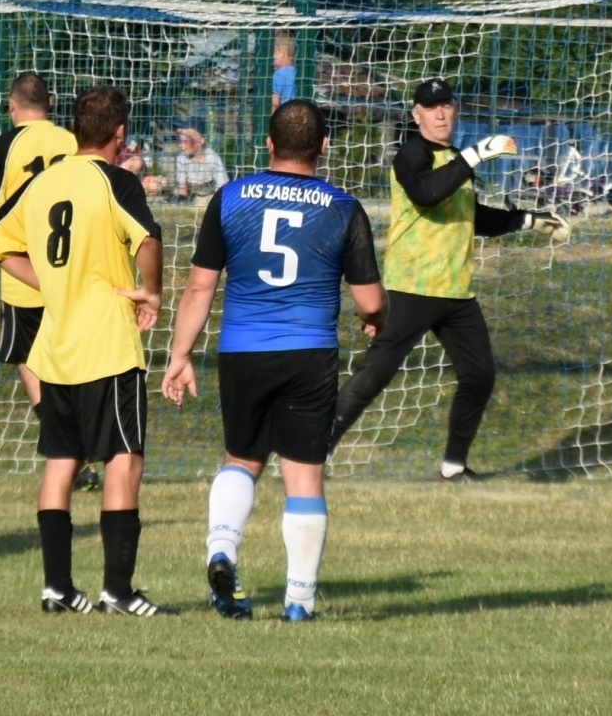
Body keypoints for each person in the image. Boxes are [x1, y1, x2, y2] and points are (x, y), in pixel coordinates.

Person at [161, 99, 386, 621]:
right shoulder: (342, 207)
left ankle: (222, 549)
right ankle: (299, 603)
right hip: (309, 353)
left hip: (242, 350)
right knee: (303, 474)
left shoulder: (230, 197)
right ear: (324, 146)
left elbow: (199, 288)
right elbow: (370, 301)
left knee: (242, 458)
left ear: (269, 144)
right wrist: (377, 318)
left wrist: (180, 354)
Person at [0, 85, 175, 617]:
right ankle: (118, 591)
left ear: (75, 129)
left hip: (54, 348)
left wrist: (50, 283)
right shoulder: (117, 181)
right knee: (124, 459)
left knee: (62, 461)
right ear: (120, 134)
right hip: (107, 346)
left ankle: (58, 588)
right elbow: (148, 239)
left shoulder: (44, 182)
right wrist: (151, 292)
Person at [330, 78, 568, 480]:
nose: (440, 114)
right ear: (416, 115)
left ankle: (454, 467)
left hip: (456, 292)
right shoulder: (411, 153)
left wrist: (527, 220)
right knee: (375, 375)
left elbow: (472, 216)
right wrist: (476, 155)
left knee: (479, 376)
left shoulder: (457, 159)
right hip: (413, 287)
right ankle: (313, 451)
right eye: (430, 107)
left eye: (446, 105)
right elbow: (427, 193)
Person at [0, 73, 103, 487]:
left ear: (11, 105)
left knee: (29, 360)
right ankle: (85, 444)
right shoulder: (72, 140)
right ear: (51, 104)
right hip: (71, 271)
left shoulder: (4, 145)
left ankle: (67, 447)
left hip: (23, 277)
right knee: (72, 359)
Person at [173, 124, 229, 200]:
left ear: (201, 141)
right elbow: (182, 188)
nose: (181, 145)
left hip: (208, 195)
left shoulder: (213, 158)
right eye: (180, 141)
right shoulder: (182, 158)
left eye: (186, 140)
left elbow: (222, 185)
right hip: (190, 195)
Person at [271, 35, 296, 112]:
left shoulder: (278, 76)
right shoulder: (297, 73)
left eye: (273, 52)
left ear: (282, 54)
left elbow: (274, 104)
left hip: (283, 115)